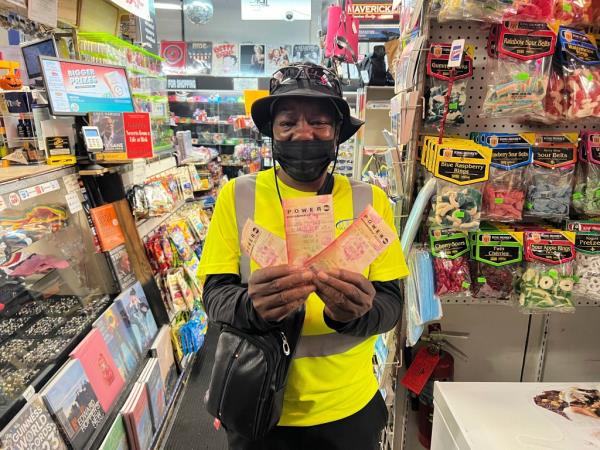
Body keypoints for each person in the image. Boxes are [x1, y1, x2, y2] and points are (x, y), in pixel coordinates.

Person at [200, 63, 409, 450]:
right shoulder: (238, 196)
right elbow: (214, 296)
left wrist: (359, 314)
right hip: (258, 403)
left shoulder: (369, 199)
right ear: (272, 134)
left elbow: (392, 302)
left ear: (337, 135)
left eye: (318, 123)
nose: (303, 133)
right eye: (287, 123)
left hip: (349, 408)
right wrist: (250, 305)